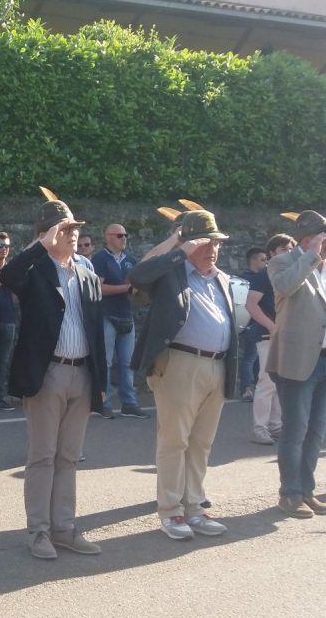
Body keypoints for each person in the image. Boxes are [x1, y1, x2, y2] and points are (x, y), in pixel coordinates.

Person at [1, 198, 107, 559]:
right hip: (48, 374)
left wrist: (100, 382)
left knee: (69, 457)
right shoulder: (35, 270)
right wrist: (40, 246)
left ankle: (64, 529)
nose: (73, 234)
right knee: (43, 457)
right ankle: (38, 531)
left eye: (75, 228)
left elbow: (96, 332)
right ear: (46, 234)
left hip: (83, 373)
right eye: (65, 229)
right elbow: (8, 276)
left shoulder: (88, 275)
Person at [130, 209, 239, 541]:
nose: (212, 249)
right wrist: (178, 246)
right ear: (188, 244)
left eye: (216, 243)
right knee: (174, 441)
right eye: (205, 243)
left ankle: (194, 507)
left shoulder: (221, 278)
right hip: (180, 364)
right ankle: (171, 510)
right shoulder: (171, 272)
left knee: (201, 443)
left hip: (217, 365)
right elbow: (138, 276)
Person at [263, 211, 326, 519]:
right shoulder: (283, 262)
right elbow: (285, 287)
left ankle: (306, 490)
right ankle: (289, 494)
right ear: (307, 239)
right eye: (325, 235)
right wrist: (310, 256)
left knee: (316, 431)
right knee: (296, 429)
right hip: (298, 362)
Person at [90, 223, 148, 420]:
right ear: (108, 237)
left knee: (128, 363)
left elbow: (138, 286)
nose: (124, 238)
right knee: (105, 362)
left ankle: (129, 403)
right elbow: (98, 288)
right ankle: (103, 403)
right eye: (119, 235)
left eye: (125, 235)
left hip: (126, 314)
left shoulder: (130, 260)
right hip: (107, 314)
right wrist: (126, 288)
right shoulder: (100, 258)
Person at [245, 234, 296, 445]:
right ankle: (259, 428)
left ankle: (275, 425)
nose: (288, 253)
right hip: (268, 335)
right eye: (283, 249)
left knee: (280, 382)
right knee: (266, 382)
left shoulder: (292, 274)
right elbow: (251, 304)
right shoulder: (264, 275)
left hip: (287, 335)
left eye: (290, 249)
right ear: (272, 253)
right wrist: (271, 326)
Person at [0, 232, 20, 411]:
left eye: (7, 246)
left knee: (3, 361)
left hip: (8, 318)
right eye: (0, 246)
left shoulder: (12, 269)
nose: (4, 249)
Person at [238, 246, 269, 400]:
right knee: (250, 357)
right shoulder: (248, 279)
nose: (266, 262)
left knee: (256, 358)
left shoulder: (248, 278)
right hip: (250, 322)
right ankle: (247, 388)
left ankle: (255, 387)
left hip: (255, 322)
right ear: (254, 260)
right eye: (263, 259)